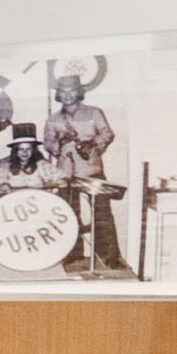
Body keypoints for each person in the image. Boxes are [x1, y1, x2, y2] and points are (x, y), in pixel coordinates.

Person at [47, 66, 126, 275]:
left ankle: (109, 257)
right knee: (67, 214)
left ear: (79, 92)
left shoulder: (94, 113)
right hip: (65, 173)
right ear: (58, 94)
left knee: (102, 214)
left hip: (91, 169)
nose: (67, 95)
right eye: (63, 91)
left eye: (72, 90)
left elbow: (107, 134)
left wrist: (93, 144)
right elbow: (48, 144)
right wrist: (58, 144)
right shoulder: (54, 119)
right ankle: (72, 255)